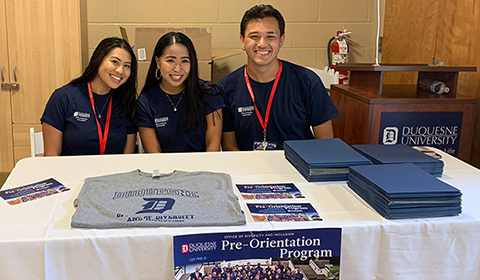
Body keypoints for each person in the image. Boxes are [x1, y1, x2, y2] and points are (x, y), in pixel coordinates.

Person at [218, 4, 339, 151]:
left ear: (281, 40)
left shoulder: (307, 81)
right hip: (248, 169)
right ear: (242, 40)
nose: (262, 44)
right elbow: (230, 146)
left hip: (298, 168)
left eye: (270, 36)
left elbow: (325, 142)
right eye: (254, 37)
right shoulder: (226, 87)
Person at [41, 37, 137, 156]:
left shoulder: (126, 103)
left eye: (127, 66)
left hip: (113, 174)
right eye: (115, 62)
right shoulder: (63, 98)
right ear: (99, 59)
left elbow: (127, 159)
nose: (120, 71)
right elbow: (51, 157)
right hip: (72, 173)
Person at [137, 32, 224, 152]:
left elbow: (212, 148)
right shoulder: (146, 101)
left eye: (184, 61)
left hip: (203, 168)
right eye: (171, 60)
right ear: (158, 62)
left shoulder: (208, 93)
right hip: (164, 168)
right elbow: (154, 155)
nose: (178, 69)